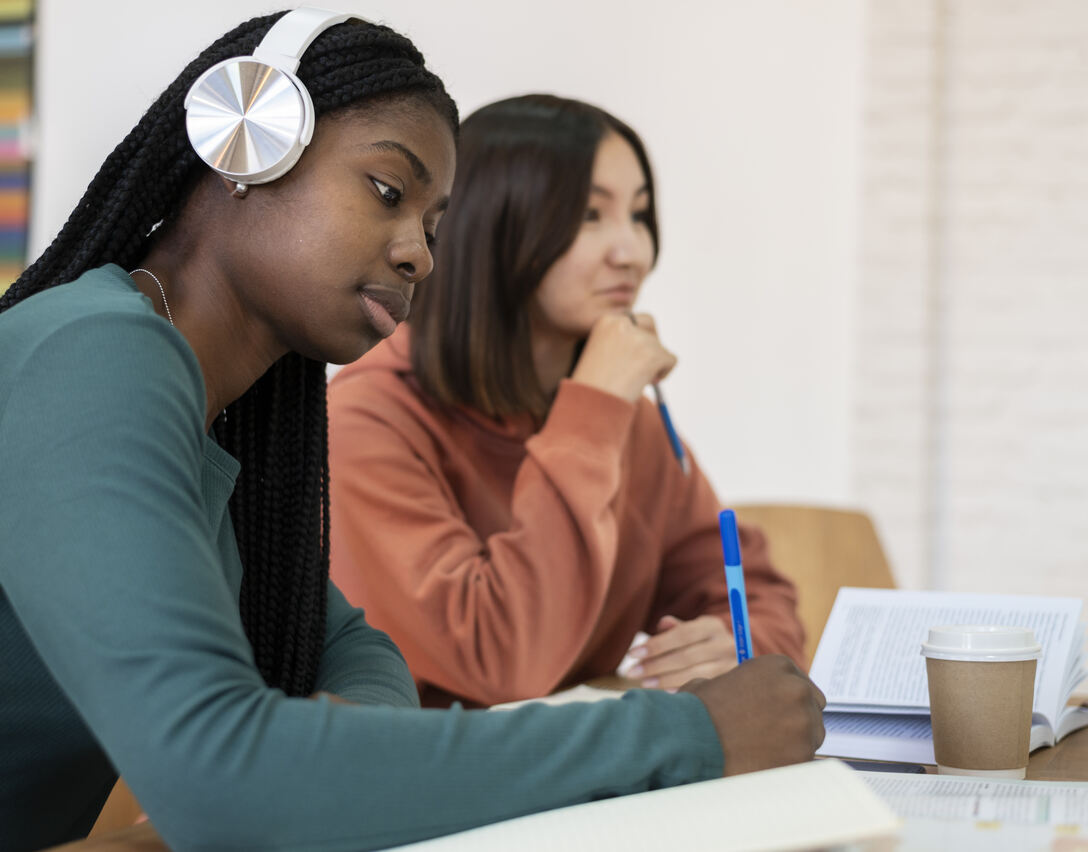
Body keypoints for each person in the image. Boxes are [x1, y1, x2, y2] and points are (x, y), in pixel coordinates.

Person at [0, 12, 824, 852]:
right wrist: (686, 736)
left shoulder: (215, 419)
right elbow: (219, 777)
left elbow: (352, 648)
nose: (419, 253)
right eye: (387, 190)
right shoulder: (94, 357)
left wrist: (328, 743)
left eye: (433, 225)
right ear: (245, 144)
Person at [326, 94, 806, 709]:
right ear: (494, 224)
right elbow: (499, 662)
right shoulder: (368, 418)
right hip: (442, 786)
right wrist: (596, 411)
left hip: (584, 776)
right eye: (589, 215)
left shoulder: (621, 417)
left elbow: (755, 593)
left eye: (639, 215)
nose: (632, 251)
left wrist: (740, 644)